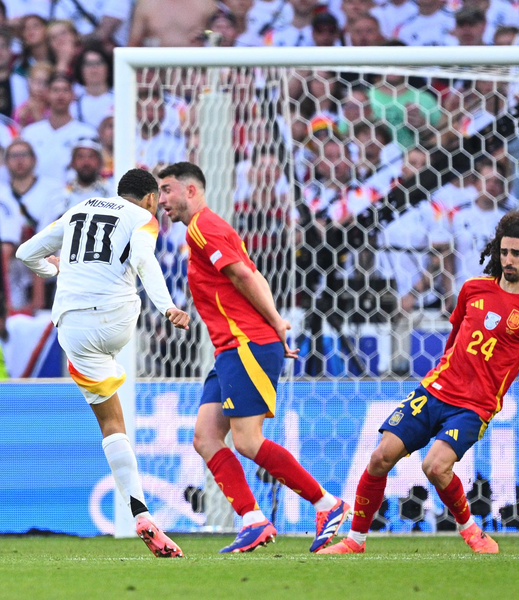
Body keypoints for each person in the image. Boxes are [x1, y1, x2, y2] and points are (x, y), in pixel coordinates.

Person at [320, 209, 519, 555]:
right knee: (380, 457)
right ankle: (355, 541)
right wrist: (442, 374)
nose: (508, 260)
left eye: (517, 253)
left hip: (474, 406)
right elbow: (454, 338)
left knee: (435, 466)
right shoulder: (473, 289)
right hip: (435, 391)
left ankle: (471, 531)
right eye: (504, 251)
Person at [157, 162, 351, 553]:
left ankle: (326, 504)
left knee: (247, 441)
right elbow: (251, 274)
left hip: (246, 345)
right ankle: (253, 519)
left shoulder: (202, 228)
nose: (162, 200)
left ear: (191, 190)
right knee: (206, 437)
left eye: (167, 190)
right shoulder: (207, 229)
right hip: (231, 348)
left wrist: (276, 324)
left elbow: (245, 276)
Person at [14, 168, 190, 557]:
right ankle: (143, 515)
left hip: (72, 327)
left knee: (111, 424)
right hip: (116, 319)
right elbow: (144, 261)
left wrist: (53, 268)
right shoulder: (141, 217)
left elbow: (25, 252)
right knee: (125, 289)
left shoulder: (78, 210)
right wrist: (167, 307)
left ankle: (139, 511)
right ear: (149, 198)